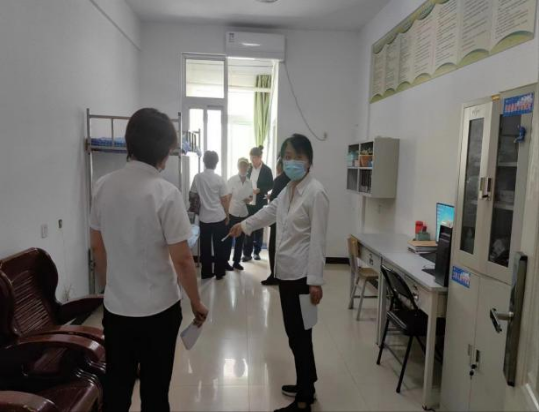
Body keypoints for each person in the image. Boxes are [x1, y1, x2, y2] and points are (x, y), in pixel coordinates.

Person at [90, 108, 208, 412]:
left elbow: (97, 247)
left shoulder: (103, 186)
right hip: (159, 312)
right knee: (155, 393)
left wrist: (112, 286)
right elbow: (182, 260)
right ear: (163, 152)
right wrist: (196, 302)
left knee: (117, 390)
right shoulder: (166, 193)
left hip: (117, 310)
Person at [230, 134, 329, 412]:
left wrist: (315, 282)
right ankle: (306, 383)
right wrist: (244, 226)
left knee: (301, 335)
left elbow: (318, 241)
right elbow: (269, 212)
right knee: (295, 334)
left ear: (309, 161)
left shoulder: (316, 193)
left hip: (302, 278)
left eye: (298, 156)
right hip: (286, 274)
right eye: (287, 156)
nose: (292, 161)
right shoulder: (288, 190)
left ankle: (304, 399)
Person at [190, 151, 230, 280]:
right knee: (219, 246)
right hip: (218, 216)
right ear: (216, 163)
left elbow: (192, 194)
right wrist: (227, 214)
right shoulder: (219, 179)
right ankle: (219, 272)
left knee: (205, 246)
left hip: (204, 217)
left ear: (204, 162)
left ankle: (206, 272)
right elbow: (225, 199)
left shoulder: (197, 177)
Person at [262, 157, 290, 286]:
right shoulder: (293, 180)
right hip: (288, 220)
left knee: (273, 248)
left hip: (277, 220)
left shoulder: (279, 180)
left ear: (280, 166)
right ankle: (283, 275)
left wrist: (270, 197)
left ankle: (274, 276)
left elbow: (275, 200)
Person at [242, 145, 273, 262]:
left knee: (259, 228)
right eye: (251, 158)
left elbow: (271, 185)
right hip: (249, 203)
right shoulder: (249, 168)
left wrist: (260, 189)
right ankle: (247, 253)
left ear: (260, 157)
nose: (252, 161)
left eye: (254, 158)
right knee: (248, 226)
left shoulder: (267, 170)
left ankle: (257, 252)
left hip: (260, 202)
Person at [224, 157, 254, 271]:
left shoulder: (249, 181)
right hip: (232, 212)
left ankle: (236, 261)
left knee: (240, 239)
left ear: (248, 167)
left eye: (245, 165)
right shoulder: (232, 180)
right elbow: (228, 197)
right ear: (238, 166)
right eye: (241, 165)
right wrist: (226, 213)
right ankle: (225, 261)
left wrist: (249, 199)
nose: (243, 168)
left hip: (243, 213)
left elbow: (251, 197)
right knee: (229, 238)